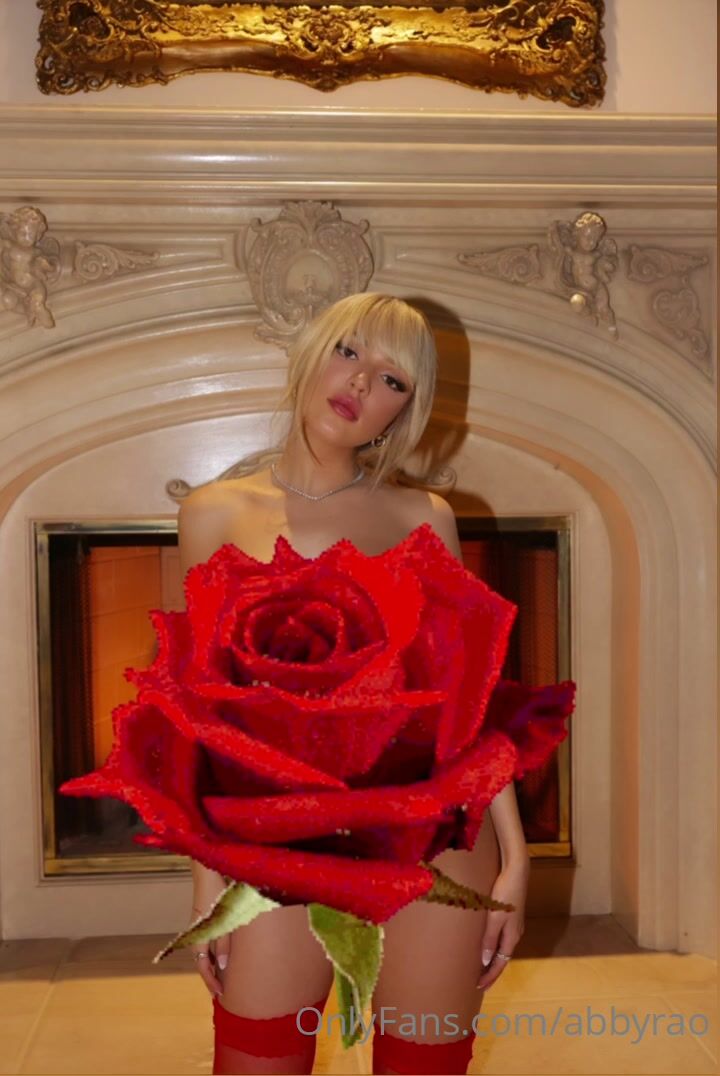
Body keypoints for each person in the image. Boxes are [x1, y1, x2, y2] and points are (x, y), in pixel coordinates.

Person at [178, 292, 531, 1076]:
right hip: (276, 834)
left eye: (393, 380)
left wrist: (515, 856)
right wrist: (206, 877)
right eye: (349, 352)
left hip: (432, 830)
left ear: (405, 409)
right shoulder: (211, 513)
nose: (362, 383)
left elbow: (467, 694)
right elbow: (202, 707)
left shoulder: (424, 515)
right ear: (311, 353)